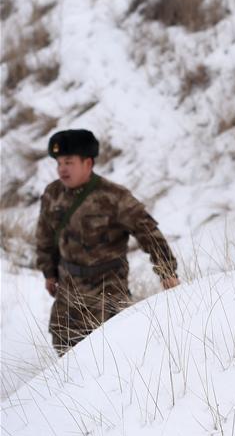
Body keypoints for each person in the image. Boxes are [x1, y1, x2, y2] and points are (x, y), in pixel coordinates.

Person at [35, 129, 179, 355]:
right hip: (68, 296)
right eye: (59, 162)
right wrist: (49, 272)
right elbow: (44, 235)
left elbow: (148, 233)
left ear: (88, 163)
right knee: (65, 354)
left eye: (69, 162)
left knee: (111, 355)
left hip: (107, 294)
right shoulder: (53, 193)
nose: (62, 169)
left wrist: (167, 272)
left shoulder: (114, 196)